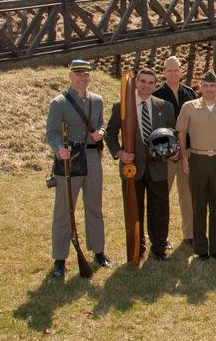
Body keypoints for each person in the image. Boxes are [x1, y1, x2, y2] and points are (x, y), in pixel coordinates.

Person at [46, 60, 113, 277]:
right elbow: (52, 132)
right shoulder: (59, 103)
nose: (82, 79)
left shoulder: (97, 100)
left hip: (92, 156)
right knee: (65, 209)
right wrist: (59, 148)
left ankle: (99, 251)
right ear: (70, 76)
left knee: (94, 205)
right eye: (78, 75)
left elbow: (101, 123)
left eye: (85, 75)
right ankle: (60, 258)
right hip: (70, 158)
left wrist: (101, 132)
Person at [105, 68, 176, 261]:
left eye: (150, 82)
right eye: (143, 81)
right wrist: (119, 152)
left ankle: (159, 248)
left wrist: (168, 150)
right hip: (132, 168)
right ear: (136, 82)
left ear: (155, 85)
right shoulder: (121, 106)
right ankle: (137, 247)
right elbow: (109, 134)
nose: (146, 85)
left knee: (159, 210)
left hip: (158, 167)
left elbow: (172, 134)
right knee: (134, 209)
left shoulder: (165, 107)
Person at [175, 70, 216, 260]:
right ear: (200, 87)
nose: (209, 89)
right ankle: (201, 249)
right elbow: (181, 133)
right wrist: (183, 158)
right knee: (198, 204)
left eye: (212, 86)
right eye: (205, 85)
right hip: (197, 160)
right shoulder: (189, 107)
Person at [152, 55, 197, 247]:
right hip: (166, 153)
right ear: (164, 73)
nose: (173, 73)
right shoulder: (157, 96)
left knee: (187, 194)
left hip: (186, 150)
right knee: (163, 194)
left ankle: (190, 234)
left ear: (181, 71)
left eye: (176, 69)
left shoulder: (189, 93)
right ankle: (162, 236)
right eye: (169, 70)